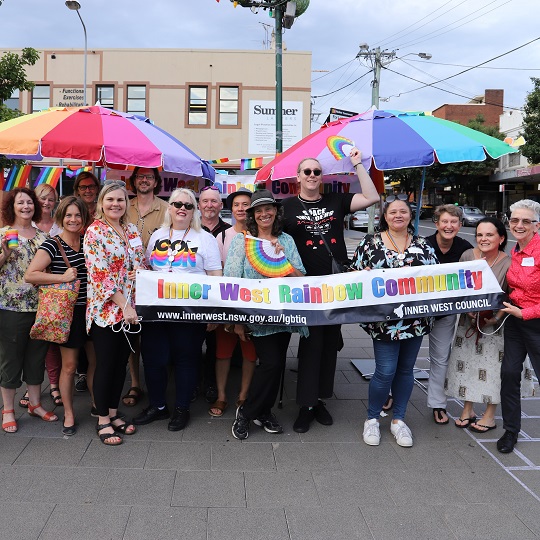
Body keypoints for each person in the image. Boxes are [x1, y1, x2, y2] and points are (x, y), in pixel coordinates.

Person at [282, 148, 379, 433]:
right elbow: (269, 236)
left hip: (337, 285)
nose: (312, 176)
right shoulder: (286, 207)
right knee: (311, 345)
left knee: (330, 346)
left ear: (321, 177)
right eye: (307, 172)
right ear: (298, 177)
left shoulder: (336, 200)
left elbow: (372, 197)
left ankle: (320, 400)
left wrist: (358, 164)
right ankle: (305, 405)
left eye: (317, 172)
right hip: (305, 287)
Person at [352, 195, 438, 447]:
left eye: (403, 211)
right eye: (393, 212)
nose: (398, 215)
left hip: (415, 320)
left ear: (411, 216)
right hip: (384, 320)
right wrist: (363, 274)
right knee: (385, 371)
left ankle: (399, 420)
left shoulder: (423, 244)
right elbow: (354, 273)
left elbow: (436, 276)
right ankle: (372, 419)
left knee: (405, 371)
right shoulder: (370, 243)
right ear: (385, 216)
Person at [133, 188, 222, 431]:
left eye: (188, 205)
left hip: (190, 312)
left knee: (186, 359)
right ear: (169, 207)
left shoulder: (205, 238)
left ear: (194, 210)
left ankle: (182, 408)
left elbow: (215, 276)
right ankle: (158, 406)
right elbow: (150, 268)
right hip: (156, 312)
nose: (182, 208)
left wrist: (213, 313)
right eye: (177, 203)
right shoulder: (157, 235)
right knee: (153, 358)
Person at [227, 190, 306, 440]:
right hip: (256, 316)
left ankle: (264, 411)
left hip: (283, 315)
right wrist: (237, 320)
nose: (264, 214)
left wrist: (283, 258)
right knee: (271, 362)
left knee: (277, 364)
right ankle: (246, 412)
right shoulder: (243, 241)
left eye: (268, 209)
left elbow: (302, 278)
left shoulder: (287, 241)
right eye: (258, 210)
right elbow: (232, 281)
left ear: (276, 212)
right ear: (252, 215)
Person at [25, 196, 94, 436]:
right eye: (69, 215)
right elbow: (31, 275)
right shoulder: (52, 245)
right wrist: (62, 277)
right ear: (61, 217)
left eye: (78, 215)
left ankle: (98, 406)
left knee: (96, 363)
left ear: (84, 218)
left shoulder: (89, 242)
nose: (73, 219)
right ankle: (69, 413)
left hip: (93, 311)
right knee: (70, 366)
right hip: (69, 313)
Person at [83, 180, 145, 446]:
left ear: (126, 203)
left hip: (130, 310)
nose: (115, 204)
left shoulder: (131, 230)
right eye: (110, 200)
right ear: (101, 203)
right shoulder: (94, 232)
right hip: (107, 311)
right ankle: (102, 420)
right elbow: (100, 276)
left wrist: (137, 270)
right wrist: (125, 305)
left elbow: (141, 261)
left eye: (120, 200)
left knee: (121, 363)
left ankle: (113, 411)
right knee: (106, 365)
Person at [0, 188, 57, 433]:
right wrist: (5, 253)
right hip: (11, 307)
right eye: (20, 202)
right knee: (10, 360)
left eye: (29, 202)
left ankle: (35, 404)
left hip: (40, 306)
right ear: (11, 206)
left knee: (36, 358)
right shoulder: (3, 234)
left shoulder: (43, 237)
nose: (25, 206)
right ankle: (8, 410)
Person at [208, 188, 257, 417]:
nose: (241, 209)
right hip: (228, 301)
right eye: (237, 205)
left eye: (246, 204)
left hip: (254, 303)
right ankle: (221, 395)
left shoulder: (260, 235)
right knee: (223, 351)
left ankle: (244, 394)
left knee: (250, 352)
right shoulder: (223, 237)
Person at [123, 167, 169, 408]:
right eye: (140, 177)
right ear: (134, 181)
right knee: (131, 335)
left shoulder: (166, 210)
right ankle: (134, 382)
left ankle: (158, 385)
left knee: (151, 335)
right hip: (125, 281)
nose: (144, 180)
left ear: (156, 182)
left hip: (153, 282)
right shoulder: (123, 205)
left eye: (149, 177)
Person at [497, 200, 540, 454]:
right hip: (515, 322)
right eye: (515, 220)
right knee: (510, 375)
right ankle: (511, 430)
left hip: (535, 322)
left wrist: (526, 313)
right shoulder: (515, 249)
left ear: (537, 225)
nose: (519, 225)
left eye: (526, 221)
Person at [424, 205, 473, 425]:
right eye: (445, 221)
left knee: (441, 358)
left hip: (445, 312)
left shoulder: (465, 249)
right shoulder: (422, 244)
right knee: (401, 359)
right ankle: (392, 394)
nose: (449, 226)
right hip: (416, 313)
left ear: (460, 225)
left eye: (454, 222)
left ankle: (437, 403)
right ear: (437, 223)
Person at [17, 184, 63, 409]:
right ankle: (29, 387)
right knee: (27, 343)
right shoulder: (26, 224)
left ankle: (53, 384)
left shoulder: (59, 226)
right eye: (42, 198)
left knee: (49, 343)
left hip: (50, 293)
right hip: (22, 295)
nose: (46, 202)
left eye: (51, 199)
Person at [198, 185, 231, 403]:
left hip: (218, 296)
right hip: (193, 297)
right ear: (199, 205)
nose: (209, 205)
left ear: (220, 205)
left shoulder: (230, 231)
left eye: (214, 201)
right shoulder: (189, 229)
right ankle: (191, 382)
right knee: (191, 344)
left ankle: (210, 382)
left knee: (214, 345)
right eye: (205, 201)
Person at [73, 171, 101, 394]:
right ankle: (82, 372)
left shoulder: (102, 210)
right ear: (77, 190)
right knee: (78, 328)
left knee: (92, 331)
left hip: (98, 279)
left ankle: (92, 372)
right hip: (78, 275)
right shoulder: (73, 212)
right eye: (83, 187)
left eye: (91, 186)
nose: (88, 190)